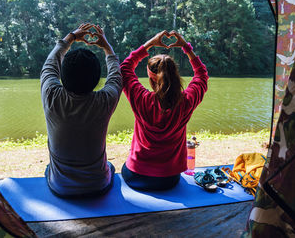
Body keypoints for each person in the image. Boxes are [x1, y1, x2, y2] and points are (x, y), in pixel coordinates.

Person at [120, 30, 209, 191]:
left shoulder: (141, 98)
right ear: (175, 75)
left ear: (152, 80)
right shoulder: (186, 102)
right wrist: (186, 48)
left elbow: (125, 68)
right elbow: (202, 76)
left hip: (136, 176)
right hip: (168, 179)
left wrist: (151, 43)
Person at [40, 23, 122, 198]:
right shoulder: (105, 101)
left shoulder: (51, 95)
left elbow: (50, 63)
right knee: (111, 167)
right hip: (98, 185)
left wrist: (71, 37)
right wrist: (106, 46)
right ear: (96, 79)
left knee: (48, 168)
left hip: (60, 187)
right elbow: (115, 75)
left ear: (63, 75)